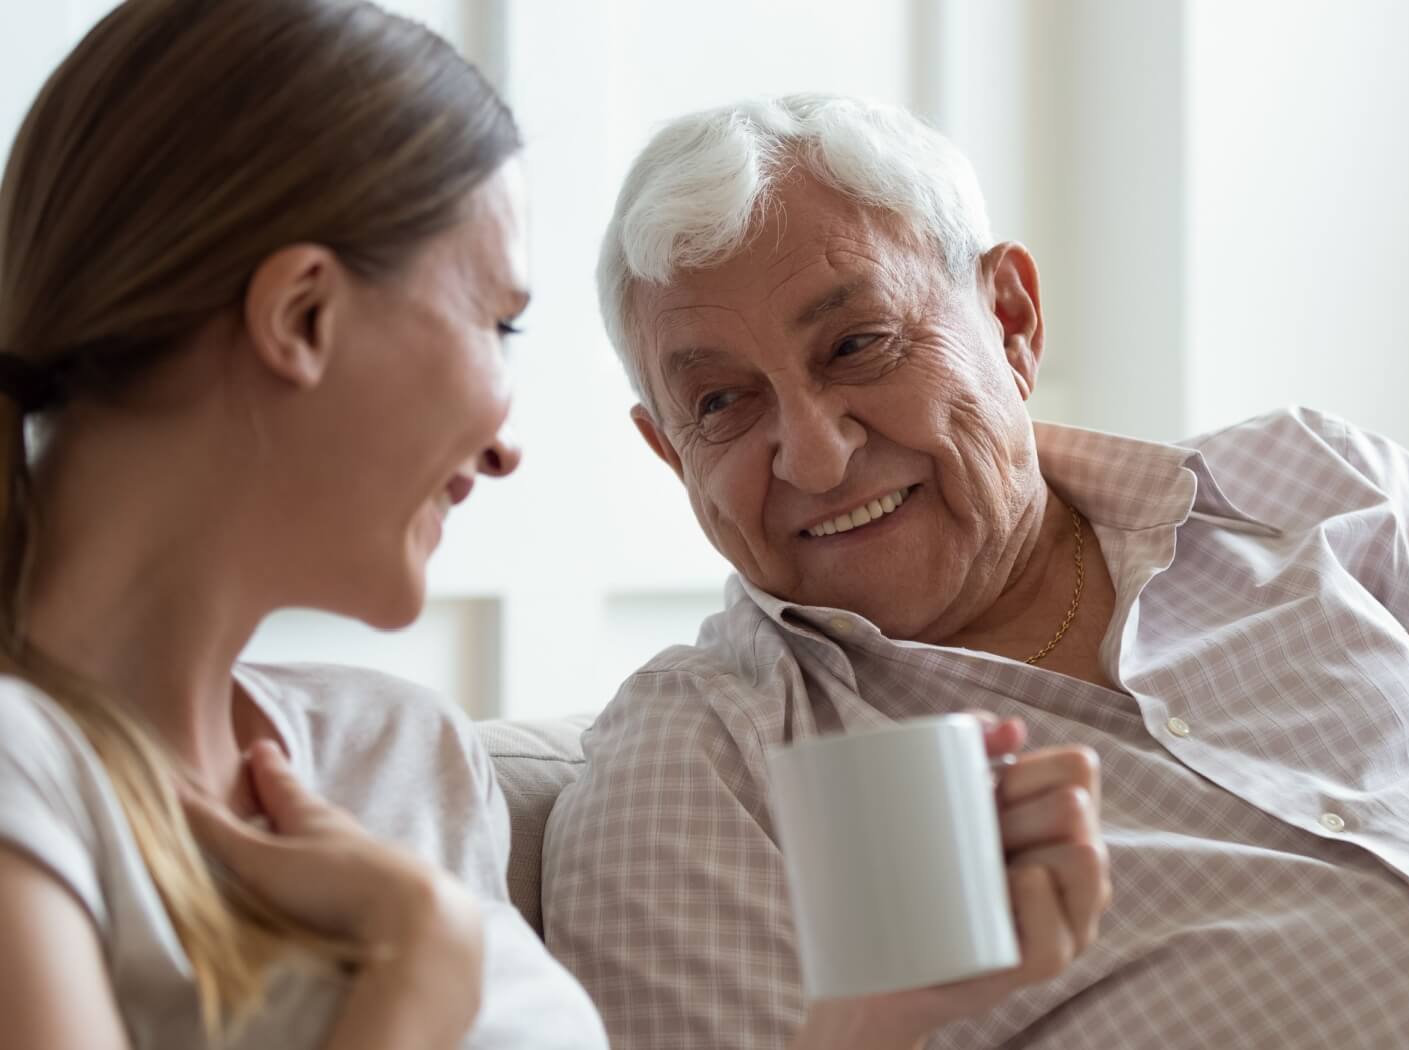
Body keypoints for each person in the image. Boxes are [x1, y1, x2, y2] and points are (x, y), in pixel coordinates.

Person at [0, 7, 1094, 1050]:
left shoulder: (401, 757)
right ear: (303, 318)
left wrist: (877, 1019)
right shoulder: (29, 779)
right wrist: (412, 984)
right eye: (496, 322)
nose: (506, 445)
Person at [541, 92, 1409, 1049]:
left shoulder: (1314, 486)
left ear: (1009, 320)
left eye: (858, 344)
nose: (811, 455)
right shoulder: (704, 770)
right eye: (723, 403)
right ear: (669, 449)